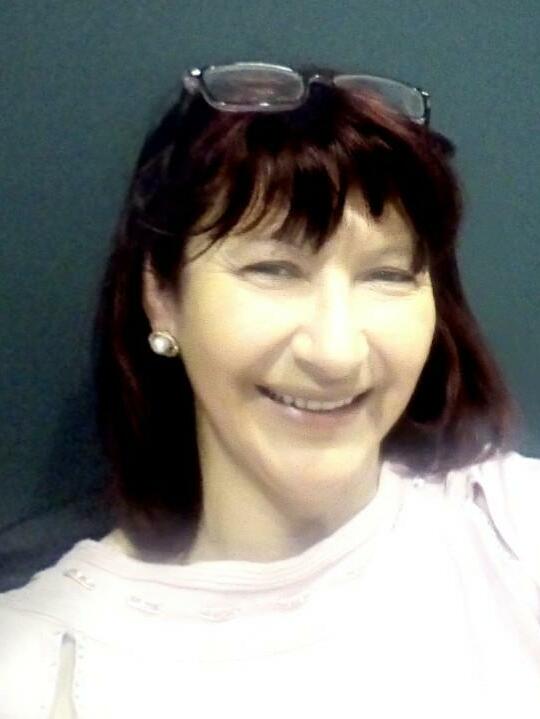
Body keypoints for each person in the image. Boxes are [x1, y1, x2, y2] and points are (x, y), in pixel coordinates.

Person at [0, 61, 539, 718]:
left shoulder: (510, 530)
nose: (336, 352)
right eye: (274, 269)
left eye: (389, 275)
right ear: (162, 296)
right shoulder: (40, 666)